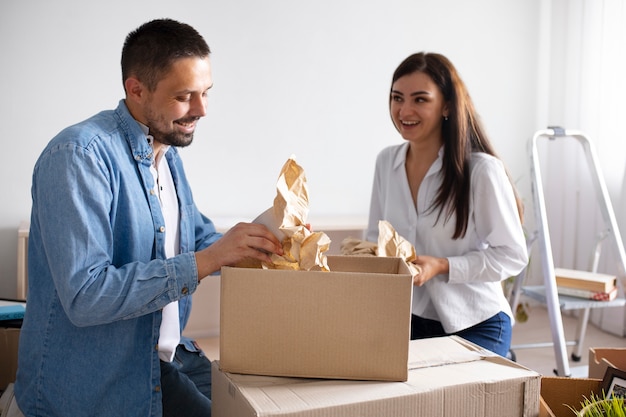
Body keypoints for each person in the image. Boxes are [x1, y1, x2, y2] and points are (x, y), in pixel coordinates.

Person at [14, 19, 283, 417]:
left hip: (167, 357)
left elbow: (198, 239)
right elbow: (86, 296)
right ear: (136, 89)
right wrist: (207, 260)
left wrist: (261, 242)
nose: (202, 109)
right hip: (99, 385)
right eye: (184, 96)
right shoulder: (78, 156)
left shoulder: (166, 155)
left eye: (206, 93)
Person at [365, 52, 528, 357]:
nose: (404, 110)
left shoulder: (480, 171)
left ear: (447, 106)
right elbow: (375, 240)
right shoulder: (386, 162)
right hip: (407, 318)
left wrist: (443, 266)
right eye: (397, 98)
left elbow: (513, 256)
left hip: (476, 320)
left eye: (420, 99)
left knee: (450, 397)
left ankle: (503, 356)